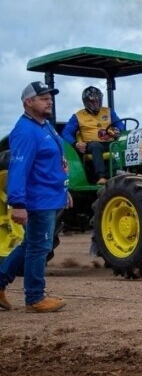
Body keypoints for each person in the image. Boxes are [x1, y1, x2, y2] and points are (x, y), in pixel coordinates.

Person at [0, 81, 71, 313]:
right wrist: (18, 204)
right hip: (38, 200)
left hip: (51, 195)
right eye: (43, 97)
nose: (49, 100)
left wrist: (64, 189)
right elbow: (18, 170)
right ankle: (34, 298)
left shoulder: (45, 126)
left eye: (50, 96)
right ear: (28, 102)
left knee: (31, 244)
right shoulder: (25, 132)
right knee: (39, 247)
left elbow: (54, 162)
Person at [61, 86, 122, 185]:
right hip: (91, 145)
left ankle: (126, 172)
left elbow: (120, 124)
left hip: (110, 142)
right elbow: (65, 133)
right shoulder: (78, 116)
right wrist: (75, 144)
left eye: (98, 101)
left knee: (123, 143)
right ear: (86, 102)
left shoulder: (108, 111)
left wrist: (118, 130)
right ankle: (101, 177)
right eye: (92, 102)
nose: (95, 104)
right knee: (95, 146)